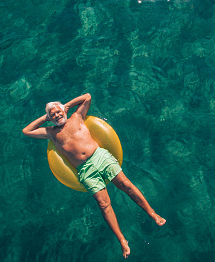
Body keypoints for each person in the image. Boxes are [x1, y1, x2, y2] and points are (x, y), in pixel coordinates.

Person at [22, 93, 165, 258]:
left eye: (58, 112)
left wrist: (65, 106)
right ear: (50, 118)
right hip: (85, 170)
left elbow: (87, 97)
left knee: (126, 185)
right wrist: (45, 117)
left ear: (64, 111)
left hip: (100, 156)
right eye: (53, 114)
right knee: (104, 204)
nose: (57, 115)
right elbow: (26, 131)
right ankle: (122, 240)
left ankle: (152, 213)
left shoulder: (77, 117)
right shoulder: (50, 133)